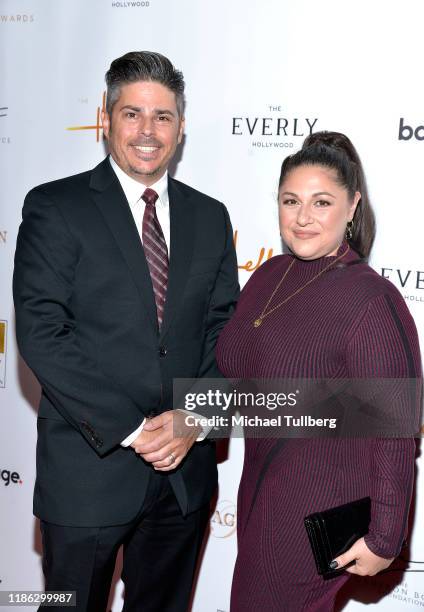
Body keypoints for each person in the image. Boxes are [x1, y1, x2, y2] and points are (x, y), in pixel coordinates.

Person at [13, 51, 239, 612]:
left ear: (181, 128)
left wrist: (194, 419)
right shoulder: (54, 206)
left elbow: (225, 334)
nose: (147, 131)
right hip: (88, 473)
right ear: (105, 117)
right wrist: (135, 429)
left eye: (162, 116)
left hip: (184, 477)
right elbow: (44, 334)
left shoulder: (211, 217)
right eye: (132, 113)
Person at [216, 131, 421, 611]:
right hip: (261, 496)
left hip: (314, 513)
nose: (303, 216)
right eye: (291, 201)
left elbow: (394, 431)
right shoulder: (269, 276)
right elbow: (242, 378)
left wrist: (386, 537)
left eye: (321, 201)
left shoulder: (371, 301)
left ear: (352, 207)